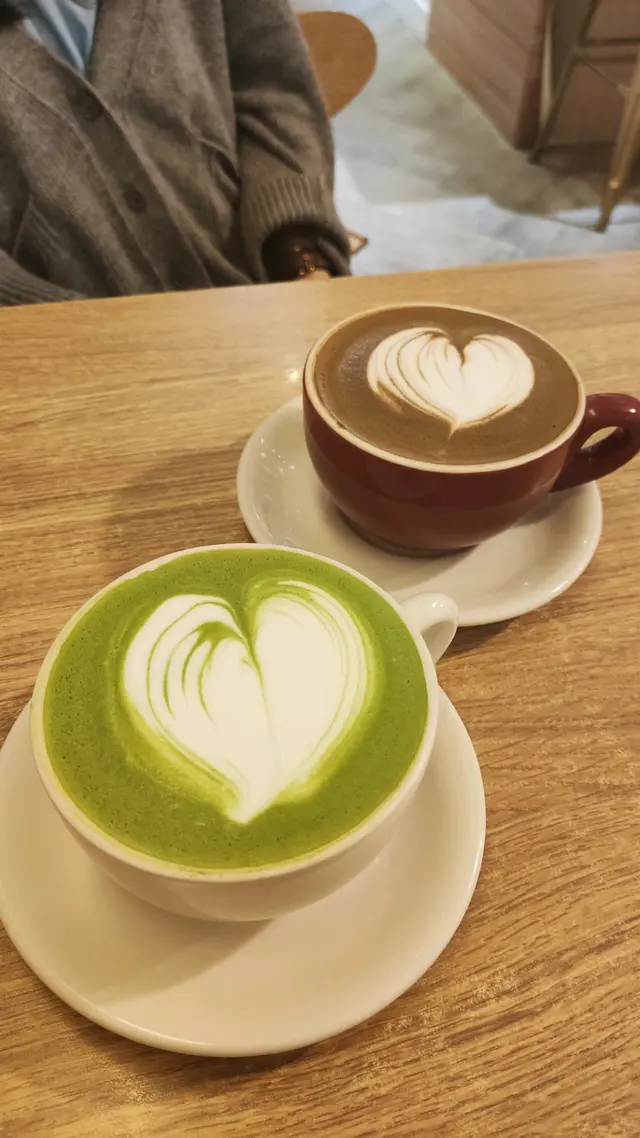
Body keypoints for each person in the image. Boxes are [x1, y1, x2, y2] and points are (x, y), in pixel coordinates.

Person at [0, 0, 350, 305]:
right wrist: (84, 337)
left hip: (268, 292)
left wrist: (300, 256)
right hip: (63, 347)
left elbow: (275, 92)